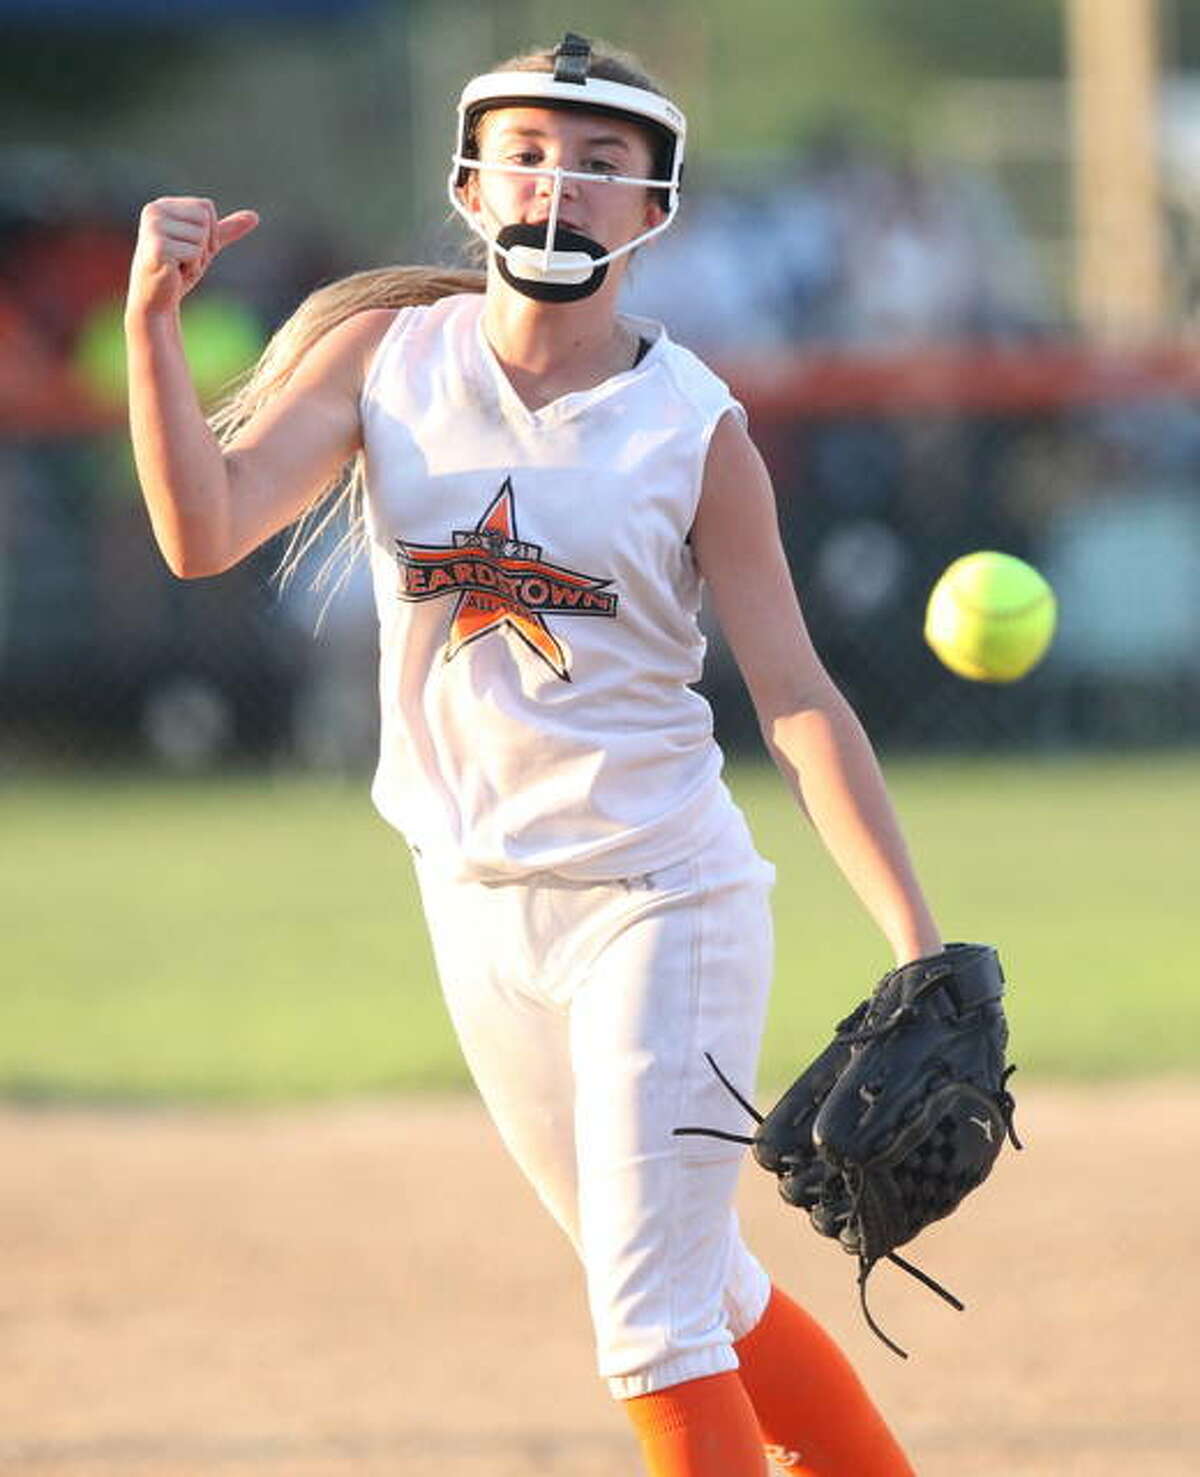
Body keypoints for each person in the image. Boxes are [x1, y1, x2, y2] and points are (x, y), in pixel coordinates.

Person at [125, 33, 941, 1477]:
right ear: (469, 184)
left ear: (654, 211)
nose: (558, 178)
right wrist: (148, 330)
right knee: (705, 1294)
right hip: (479, 905)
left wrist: (917, 939)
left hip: (657, 901)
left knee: (649, 1322)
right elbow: (203, 532)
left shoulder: (694, 430)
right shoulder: (388, 358)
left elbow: (798, 696)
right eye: (526, 150)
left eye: (602, 161)